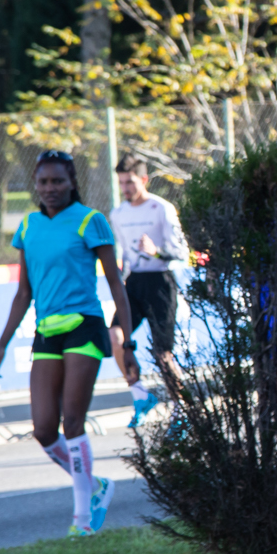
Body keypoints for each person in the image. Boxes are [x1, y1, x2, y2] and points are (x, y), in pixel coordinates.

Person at [0, 150, 137, 537]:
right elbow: (24, 293)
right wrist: (1, 345)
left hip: (84, 327)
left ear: (72, 183)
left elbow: (116, 284)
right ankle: (96, 485)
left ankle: (82, 518)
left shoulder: (90, 220)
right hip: (47, 330)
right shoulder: (28, 226)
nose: (50, 188)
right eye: (43, 182)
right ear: (35, 185)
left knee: (73, 420)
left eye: (57, 181)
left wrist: (129, 342)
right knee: (43, 429)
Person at [108, 152, 187, 427]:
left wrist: (157, 251)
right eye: (121, 183)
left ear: (143, 180)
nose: (125, 188)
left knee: (163, 355)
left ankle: (181, 412)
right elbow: (123, 254)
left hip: (160, 283)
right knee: (115, 337)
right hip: (134, 284)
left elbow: (182, 251)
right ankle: (140, 395)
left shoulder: (161, 208)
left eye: (130, 182)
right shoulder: (118, 214)